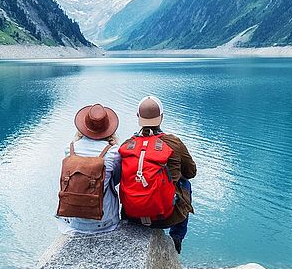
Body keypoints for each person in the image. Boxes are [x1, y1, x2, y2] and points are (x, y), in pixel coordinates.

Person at [119, 96, 196, 253]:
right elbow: (191, 172)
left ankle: (128, 220)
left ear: (138, 117)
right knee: (186, 183)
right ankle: (177, 237)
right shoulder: (174, 142)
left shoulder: (127, 145)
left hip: (132, 215)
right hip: (166, 217)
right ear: (161, 117)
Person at [56, 103, 121, 234]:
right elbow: (117, 180)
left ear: (84, 127)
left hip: (74, 221)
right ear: (108, 128)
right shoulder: (113, 152)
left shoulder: (70, 149)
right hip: (105, 222)